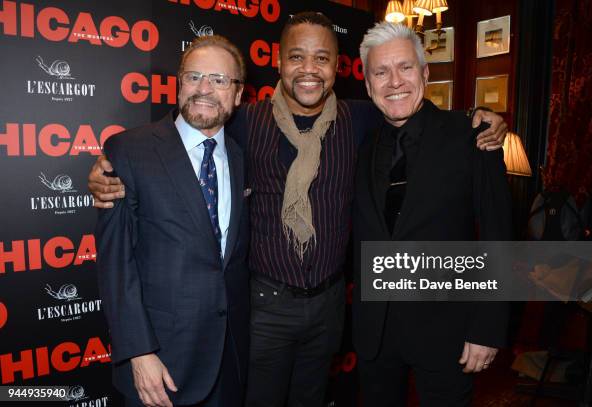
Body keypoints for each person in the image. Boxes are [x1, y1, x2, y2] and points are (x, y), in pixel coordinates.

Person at [89, 12, 508, 407]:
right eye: (297, 57)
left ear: (337, 69)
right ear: (279, 63)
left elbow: (423, 124)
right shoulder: (244, 121)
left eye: (322, 58)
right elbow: (194, 121)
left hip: (331, 310)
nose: (309, 68)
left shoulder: (358, 120)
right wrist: (113, 166)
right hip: (264, 308)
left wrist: (483, 116)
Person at [352, 22, 512, 406]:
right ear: (369, 85)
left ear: (425, 73)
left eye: (405, 68)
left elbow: (499, 236)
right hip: (375, 332)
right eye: (381, 72)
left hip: (447, 333)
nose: (394, 82)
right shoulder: (362, 142)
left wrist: (487, 328)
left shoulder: (472, 135)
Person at [95, 35, 250, 407]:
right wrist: (139, 353)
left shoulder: (240, 154)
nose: (204, 89)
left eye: (219, 79)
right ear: (179, 84)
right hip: (161, 361)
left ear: (238, 94)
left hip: (229, 357)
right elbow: (116, 265)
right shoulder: (129, 149)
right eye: (194, 77)